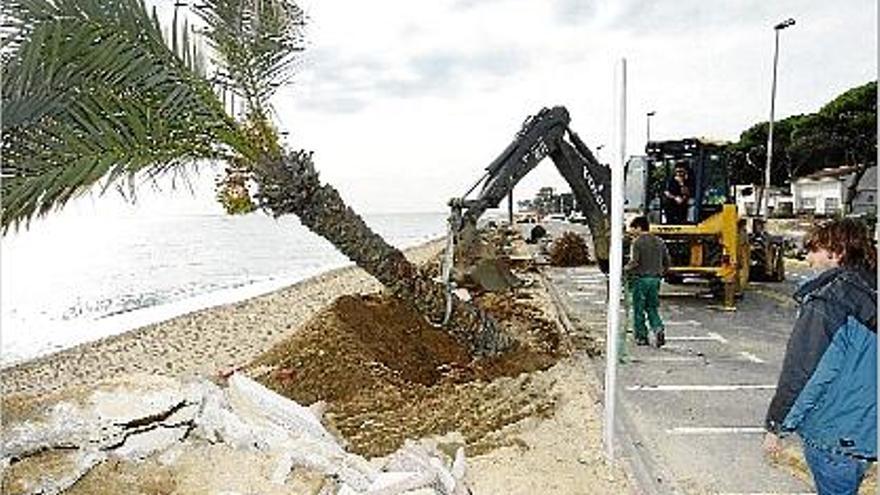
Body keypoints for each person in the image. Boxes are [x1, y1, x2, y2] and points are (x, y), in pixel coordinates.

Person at [763, 218, 877, 494]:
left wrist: (776, 425)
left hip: (836, 435)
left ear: (836, 253)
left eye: (814, 249)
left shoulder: (828, 301)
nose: (808, 257)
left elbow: (805, 371)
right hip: (866, 432)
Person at [625, 216, 671, 347]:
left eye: (632, 228)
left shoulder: (637, 242)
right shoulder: (660, 241)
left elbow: (634, 262)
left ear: (639, 227)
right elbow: (667, 261)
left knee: (639, 309)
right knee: (652, 307)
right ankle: (658, 328)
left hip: (641, 280)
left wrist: (623, 270)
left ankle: (641, 337)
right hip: (655, 280)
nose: (631, 231)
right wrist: (661, 273)